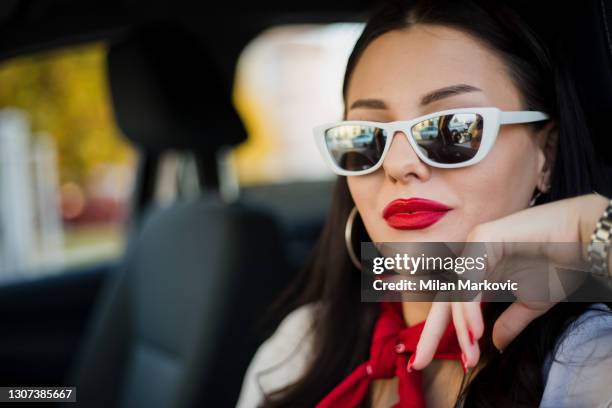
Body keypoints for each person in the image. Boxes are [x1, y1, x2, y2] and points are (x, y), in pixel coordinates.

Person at [237, 0, 612, 406]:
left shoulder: (587, 361)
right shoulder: (300, 346)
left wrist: (598, 231)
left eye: (453, 129)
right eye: (367, 137)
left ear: (547, 154)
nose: (398, 165)